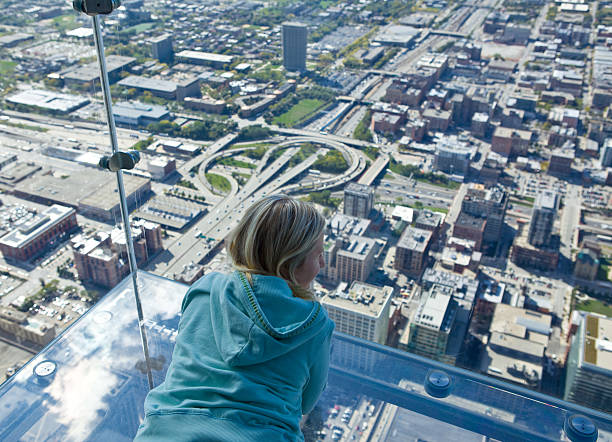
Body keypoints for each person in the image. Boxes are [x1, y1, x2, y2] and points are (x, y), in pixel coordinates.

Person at [134, 195, 335, 442]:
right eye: (318, 255)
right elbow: (307, 401)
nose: (323, 263)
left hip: (166, 432)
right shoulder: (314, 325)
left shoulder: (205, 290)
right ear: (289, 264)